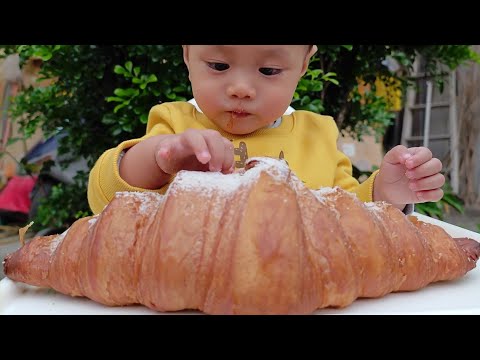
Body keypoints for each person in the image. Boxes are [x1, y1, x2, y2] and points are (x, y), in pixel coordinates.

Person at [88, 45, 445, 215]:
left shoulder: (316, 134)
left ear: (303, 64)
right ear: (187, 55)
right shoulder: (176, 124)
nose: (241, 87)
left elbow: (348, 218)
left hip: (296, 290)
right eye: (219, 64)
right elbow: (106, 200)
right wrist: (161, 158)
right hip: (187, 288)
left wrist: (387, 193)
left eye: (269, 71)